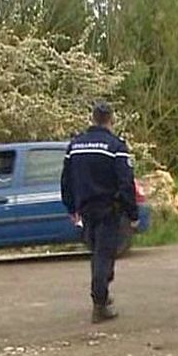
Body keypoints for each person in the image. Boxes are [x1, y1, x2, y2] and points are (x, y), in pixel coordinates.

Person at [60, 101, 139, 324]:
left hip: (85, 210)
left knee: (98, 254)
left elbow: (66, 180)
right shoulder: (116, 146)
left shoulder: (75, 145)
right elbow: (126, 182)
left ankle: (101, 293)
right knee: (104, 257)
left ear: (93, 118)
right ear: (110, 120)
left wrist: (71, 207)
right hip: (109, 209)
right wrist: (132, 214)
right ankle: (100, 303)